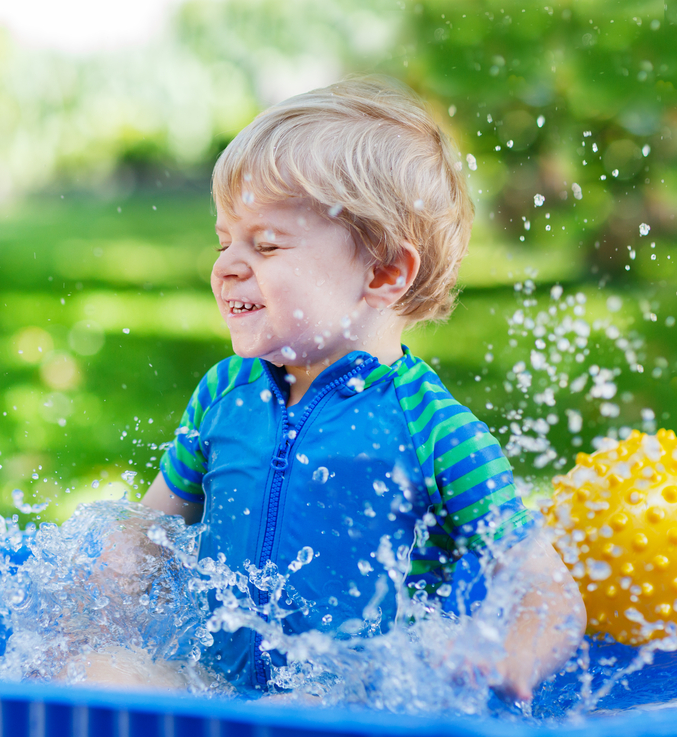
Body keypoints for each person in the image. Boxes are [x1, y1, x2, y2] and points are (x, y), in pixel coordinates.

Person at [137, 76, 586, 700]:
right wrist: (89, 610)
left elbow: (546, 588)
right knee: (93, 671)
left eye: (265, 245)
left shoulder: (437, 434)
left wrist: (512, 659)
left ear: (384, 272)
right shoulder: (225, 394)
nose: (226, 265)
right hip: (212, 687)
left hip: (352, 707)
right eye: (224, 241)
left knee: (314, 711)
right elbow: (145, 534)